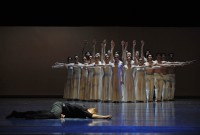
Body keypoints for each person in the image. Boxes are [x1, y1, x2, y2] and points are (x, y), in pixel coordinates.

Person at [6, 101, 112, 119]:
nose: (94, 111)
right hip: (60, 106)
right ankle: (30, 117)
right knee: (53, 116)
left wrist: (64, 115)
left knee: (43, 112)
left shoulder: (81, 113)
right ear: (90, 109)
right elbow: (93, 116)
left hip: (59, 107)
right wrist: (105, 116)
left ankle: (17, 114)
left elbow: (71, 113)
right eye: (94, 110)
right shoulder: (83, 109)